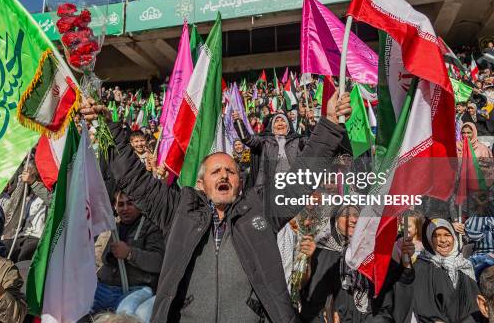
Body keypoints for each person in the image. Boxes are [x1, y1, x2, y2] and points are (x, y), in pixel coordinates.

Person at [92, 90, 351, 322]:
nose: (224, 176)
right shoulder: (179, 209)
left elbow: (302, 179)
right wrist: (108, 128)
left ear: (240, 182)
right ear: (201, 183)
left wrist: (328, 123)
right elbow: (136, 181)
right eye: (216, 172)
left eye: (231, 171)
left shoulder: (259, 209)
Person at [299, 206, 415, 322]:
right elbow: (312, 296)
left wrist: (405, 263)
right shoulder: (322, 251)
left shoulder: (373, 249)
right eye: (346, 215)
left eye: (358, 215)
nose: (354, 220)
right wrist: (325, 314)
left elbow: (393, 286)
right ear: (335, 219)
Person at [94, 191, 164, 321]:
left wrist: (130, 253)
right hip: (105, 287)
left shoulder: (152, 226)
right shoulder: (112, 225)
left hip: (135, 288)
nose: (125, 208)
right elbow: (101, 257)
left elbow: (158, 261)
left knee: (125, 315)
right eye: (121, 204)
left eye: (130, 203)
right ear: (115, 207)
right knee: (78, 305)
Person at [408, 218, 481, 322]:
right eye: (436, 236)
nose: (442, 240)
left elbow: (474, 305)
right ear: (428, 239)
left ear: (453, 237)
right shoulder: (422, 267)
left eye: (447, 235)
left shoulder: (464, 265)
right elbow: (424, 309)